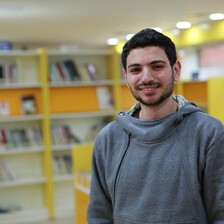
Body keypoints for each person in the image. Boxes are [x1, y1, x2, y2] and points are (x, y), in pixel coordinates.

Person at [87, 28, 224, 223]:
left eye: (156, 66)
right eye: (136, 69)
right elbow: (99, 215)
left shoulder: (208, 133)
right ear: (126, 76)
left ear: (175, 71)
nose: (146, 78)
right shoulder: (108, 138)